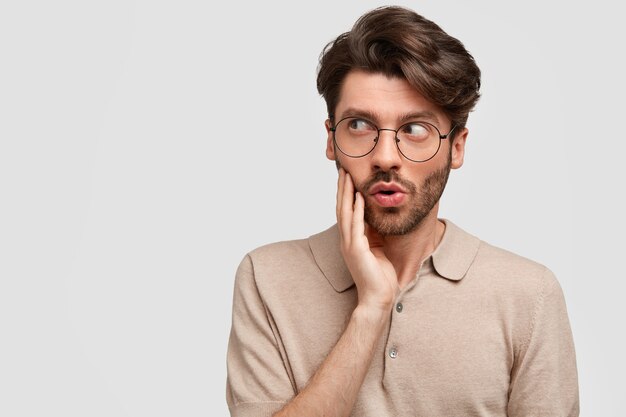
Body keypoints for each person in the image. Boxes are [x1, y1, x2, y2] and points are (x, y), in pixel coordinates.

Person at [226, 6, 579, 417]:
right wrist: (371, 308)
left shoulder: (528, 295)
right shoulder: (267, 277)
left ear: (457, 146)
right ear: (330, 139)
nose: (386, 157)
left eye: (415, 130)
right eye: (359, 125)